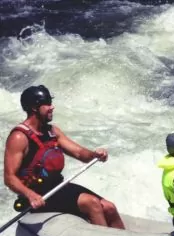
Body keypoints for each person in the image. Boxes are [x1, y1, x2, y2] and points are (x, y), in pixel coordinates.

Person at [3, 85, 125, 228]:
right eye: (47, 103)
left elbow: (79, 153)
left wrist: (95, 154)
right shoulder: (19, 137)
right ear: (35, 108)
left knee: (109, 207)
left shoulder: (52, 131)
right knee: (92, 204)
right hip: (39, 195)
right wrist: (30, 195)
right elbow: (9, 178)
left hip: (58, 188)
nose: (52, 107)